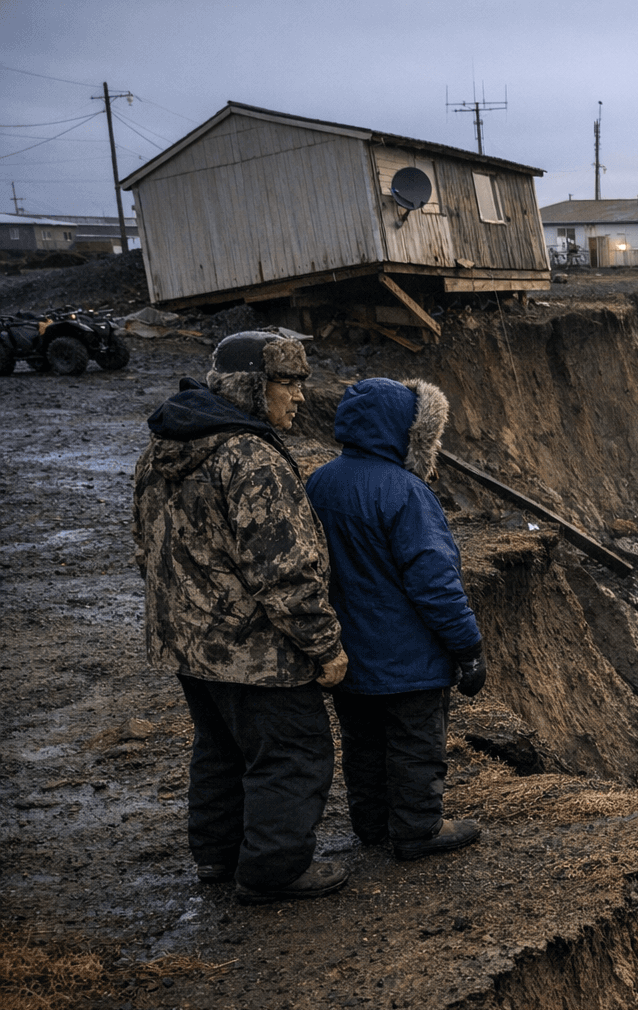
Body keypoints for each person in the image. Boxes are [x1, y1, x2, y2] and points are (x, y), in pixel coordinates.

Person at [132, 331, 351, 905]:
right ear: (252, 385)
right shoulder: (251, 458)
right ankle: (273, 870)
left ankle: (218, 857)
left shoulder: (161, 450)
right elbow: (285, 571)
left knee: (221, 748)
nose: (299, 396)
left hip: (188, 646)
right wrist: (325, 646)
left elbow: (145, 548)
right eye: (288, 381)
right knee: (293, 752)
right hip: (255, 652)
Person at [304, 377, 485, 861]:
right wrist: (468, 647)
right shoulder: (407, 493)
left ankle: (373, 825)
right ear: (409, 431)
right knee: (415, 743)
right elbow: (435, 583)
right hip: (408, 656)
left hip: (348, 652)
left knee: (363, 744)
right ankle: (418, 829)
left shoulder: (320, 482)